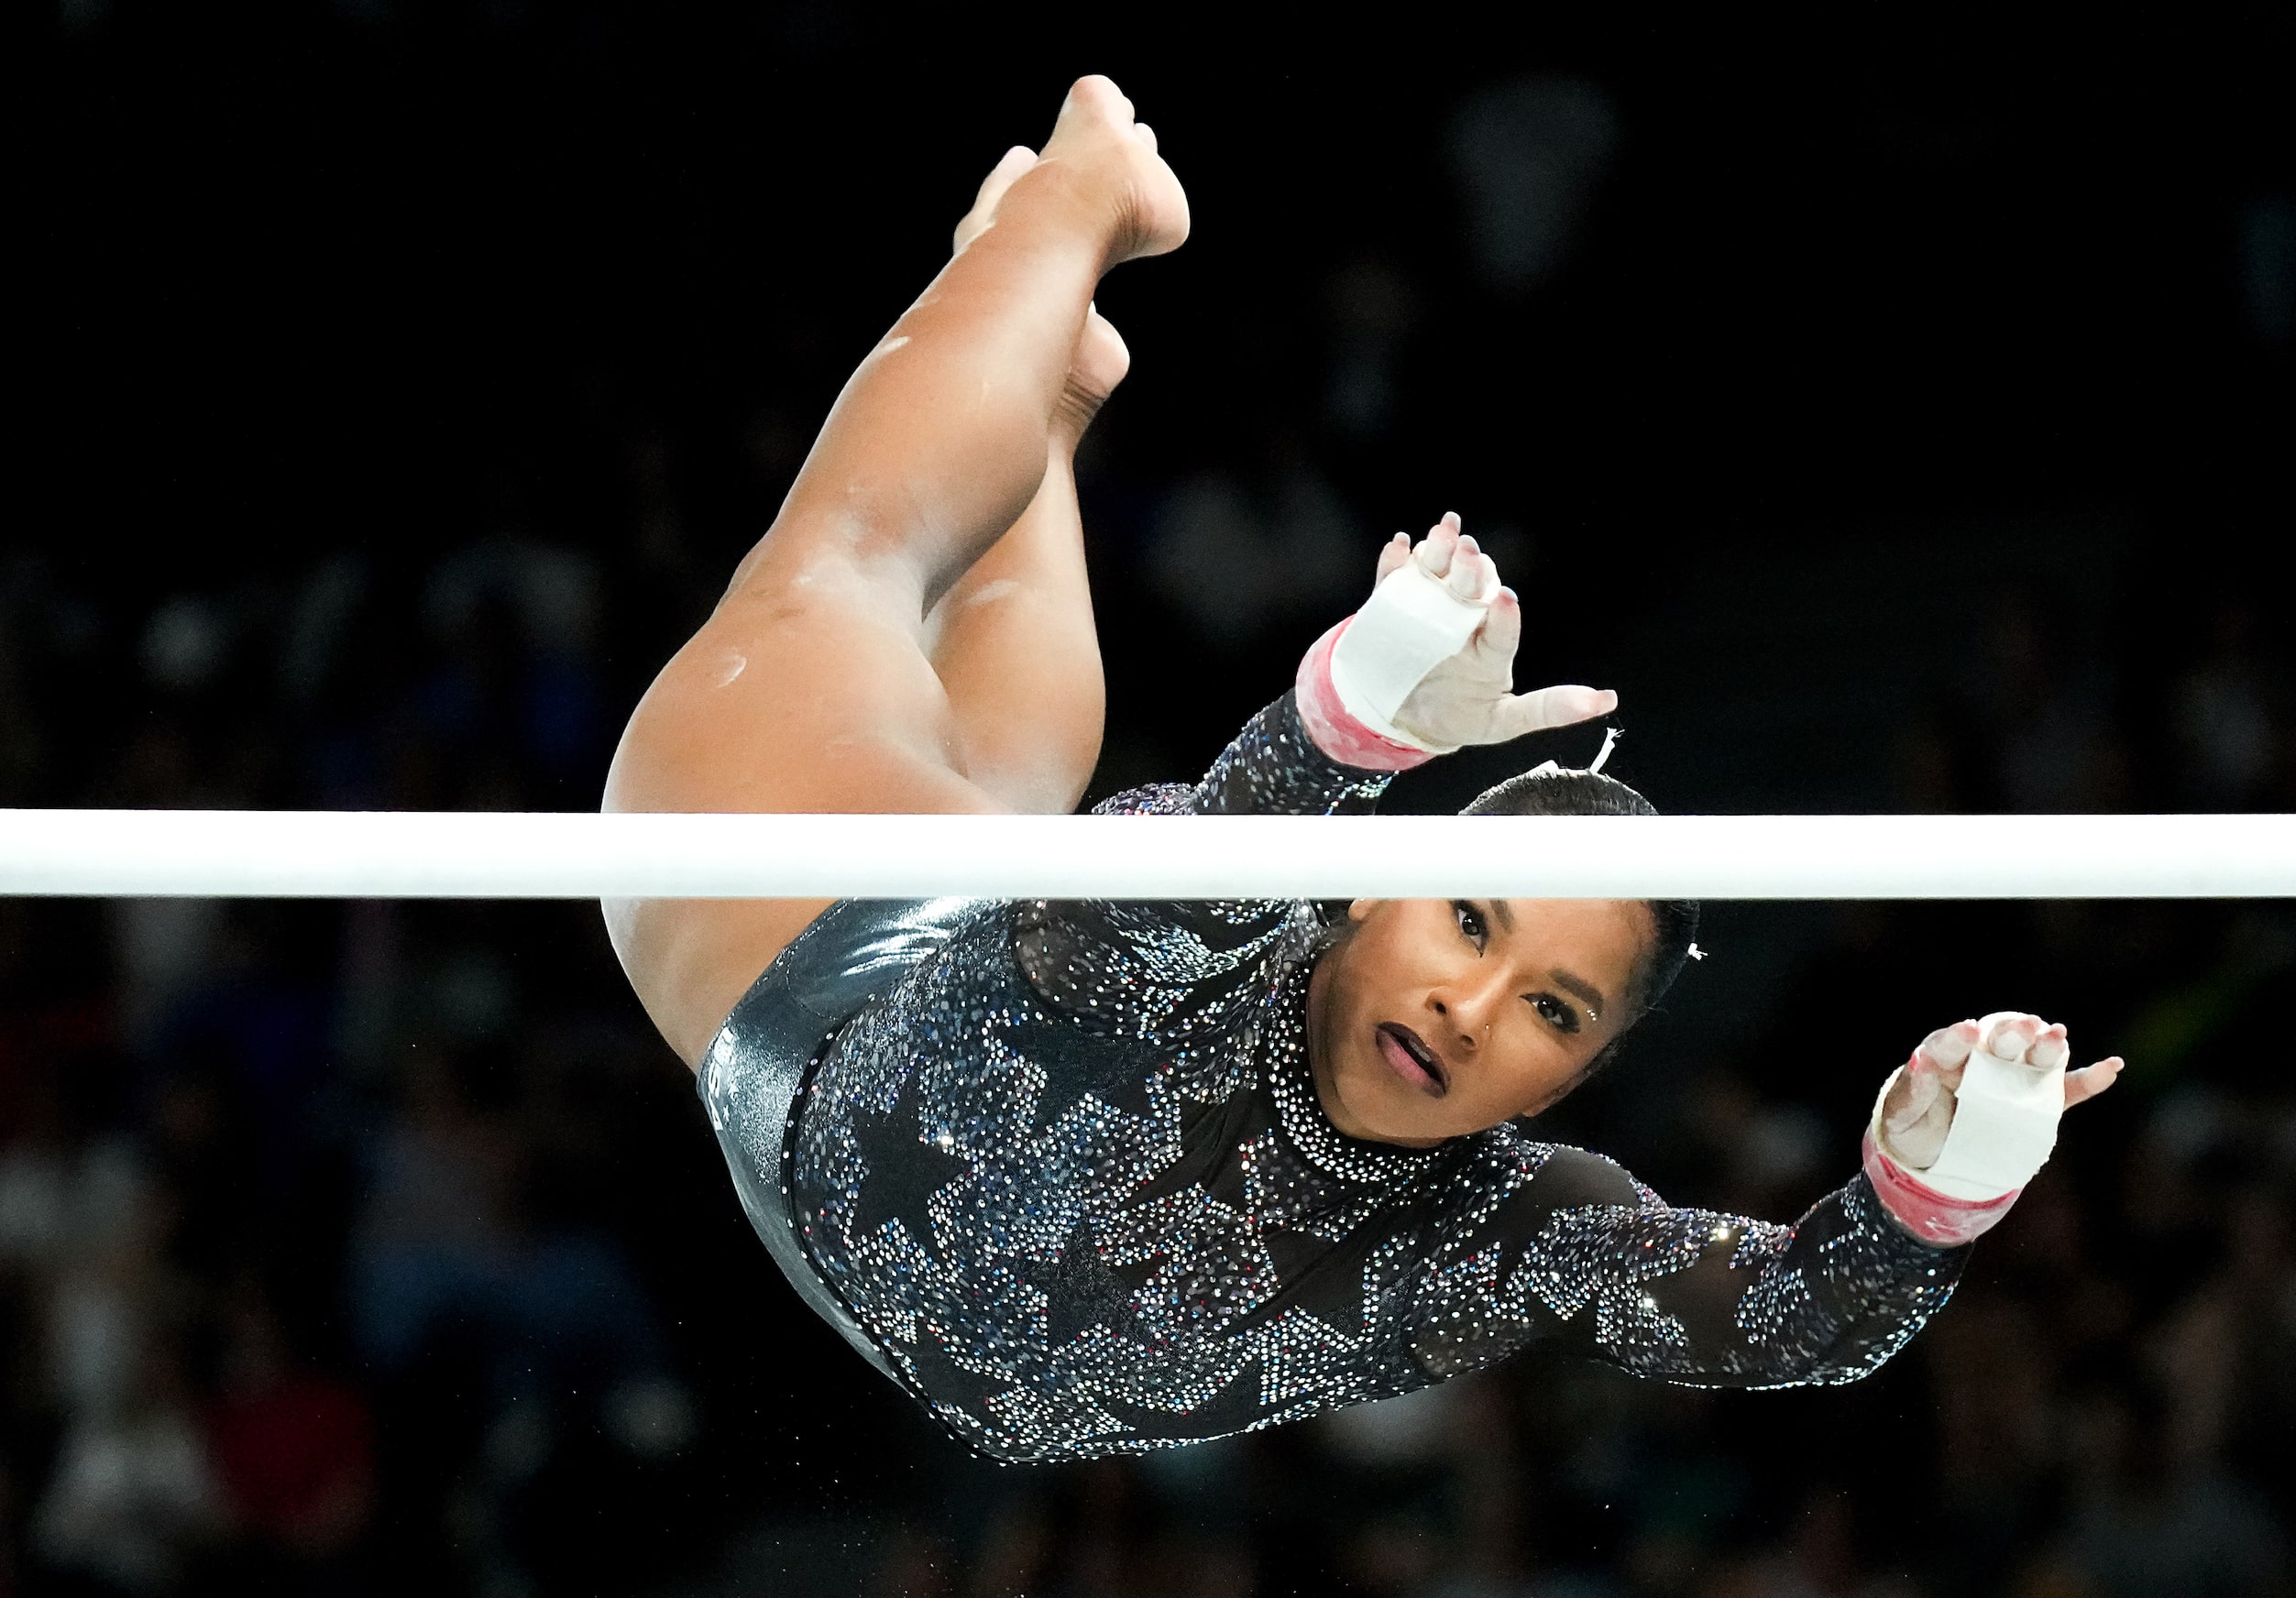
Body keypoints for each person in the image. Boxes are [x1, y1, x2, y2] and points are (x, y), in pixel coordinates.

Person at [600, 77, 2122, 1463]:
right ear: (1364, 888)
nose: (1472, 1005)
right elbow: (1199, 870)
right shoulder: (1193, 915)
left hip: (958, 929)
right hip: (791, 925)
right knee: (842, 579)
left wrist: (1938, 1188)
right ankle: (1069, 201)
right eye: (1469, 918)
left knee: (1000, 778)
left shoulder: (1501, 1234)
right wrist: (1349, 720)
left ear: (1574, 1080)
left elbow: (1789, 1322)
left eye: (1549, 1007)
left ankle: (1046, 397)